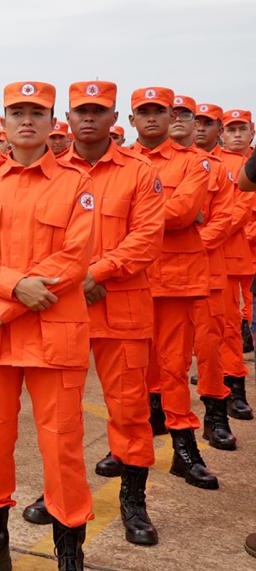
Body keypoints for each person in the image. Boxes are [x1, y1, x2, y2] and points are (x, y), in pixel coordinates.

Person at [0, 81, 94, 571]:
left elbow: (73, 260)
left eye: (37, 112)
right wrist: (13, 288)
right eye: (17, 112)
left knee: (62, 446)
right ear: (4, 123)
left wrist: (7, 304)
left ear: (54, 122)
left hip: (49, 332)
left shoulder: (77, 184)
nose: (26, 120)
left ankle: (69, 552)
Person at [19, 81, 163, 547]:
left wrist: (97, 272)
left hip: (121, 308)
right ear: (68, 114)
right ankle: (57, 492)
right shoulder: (49, 171)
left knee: (129, 411)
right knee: (58, 415)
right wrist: (72, 279)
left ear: (114, 116)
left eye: (98, 111)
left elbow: (147, 236)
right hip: (62, 312)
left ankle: (133, 503)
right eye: (81, 110)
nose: (88, 118)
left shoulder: (139, 172)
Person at [130, 87, 219, 489]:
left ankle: (184, 448)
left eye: (158, 112)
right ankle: (127, 446)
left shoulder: (194, 162)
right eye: (142, 112)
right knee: (127, 371)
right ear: (131, 120)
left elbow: (183, 213)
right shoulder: (117, 161)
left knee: (173, 368)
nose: (151, 118)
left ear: (172, 119)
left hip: (174, 281)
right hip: (128, 278)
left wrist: (131, 213)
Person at [187, 102, 243, 449]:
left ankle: (216, 413)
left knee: (212, 343)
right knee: (159, 355)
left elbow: (229, 216)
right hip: (160, 272)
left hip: (208, 269)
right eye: (197, 122)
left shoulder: (223, 169)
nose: (201, 129)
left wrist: (193, 241)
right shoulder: (157, 165)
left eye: (207, 123)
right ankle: (157, 412)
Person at [214, 109, 255, 420]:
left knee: (231, 324)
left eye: (242, 129)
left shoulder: (243, 165)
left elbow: (242, 209)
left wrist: (203, 236)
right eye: (232, 129)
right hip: (195, 259)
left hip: (233, 255)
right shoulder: (205, 162)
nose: (237, 135)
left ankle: (234, 386)